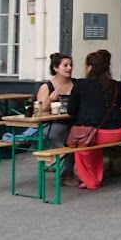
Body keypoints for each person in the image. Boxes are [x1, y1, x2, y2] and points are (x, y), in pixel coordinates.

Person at [66, 50, 121, 190]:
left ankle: (90, 181)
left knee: (81, 142)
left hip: (98, 134)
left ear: (90, 67)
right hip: (118, 132)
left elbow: (71, 110)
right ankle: (97, 177)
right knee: (92, 142)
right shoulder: (115, 85)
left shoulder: (81, 84)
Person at [36, 53, 76, 182]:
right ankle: (66, 171)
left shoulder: (76, 84)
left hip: (73, 122)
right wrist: (50, 100)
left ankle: (61, 162)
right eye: (65, 65)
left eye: (70, 65)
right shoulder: (47, 87)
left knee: (81, 133)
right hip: (52, 124)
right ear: (56, 68)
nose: (69, 68)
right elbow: (39, 111)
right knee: (68, 135)